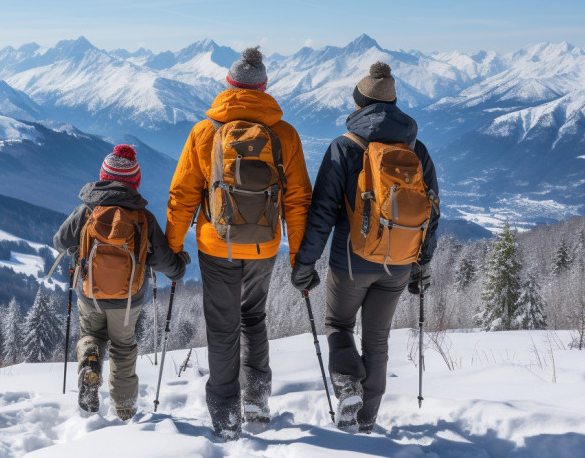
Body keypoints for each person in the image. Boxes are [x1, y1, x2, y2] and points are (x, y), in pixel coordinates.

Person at [166, 47, 312, 438]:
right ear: (263, 88)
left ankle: (225, 412)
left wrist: (173, 248)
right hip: (265, 245)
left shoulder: (205, 131)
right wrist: (299, 258)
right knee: (253, 317)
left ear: (228, 86)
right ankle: (257, 399)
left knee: (222, 325)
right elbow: (298, 200)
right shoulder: (284, 134)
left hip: (217, 245)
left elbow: (182, 195)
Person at [291, 61, 439, 434]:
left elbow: (322, 214)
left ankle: (347, 389)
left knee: (338, 324)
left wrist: (305, 264)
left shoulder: (344, 147)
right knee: (377, 341)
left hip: (351, 262)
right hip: (399, 262)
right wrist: (422, 264)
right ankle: (367, 421)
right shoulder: (417, 149)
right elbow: (431, 211)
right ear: (394, 105)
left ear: (359, 104)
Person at [54, 144, 189, 421]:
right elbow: (163, 260)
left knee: (91, 335)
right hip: (128, 299)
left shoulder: (87, 211)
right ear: (135, 182)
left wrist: (76, 251)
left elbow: (60, 241)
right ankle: (125, 409)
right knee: (123, 348)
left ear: (103, 176)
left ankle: (90, 363)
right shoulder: (143, 218)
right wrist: (179, 268)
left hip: (90, 294)